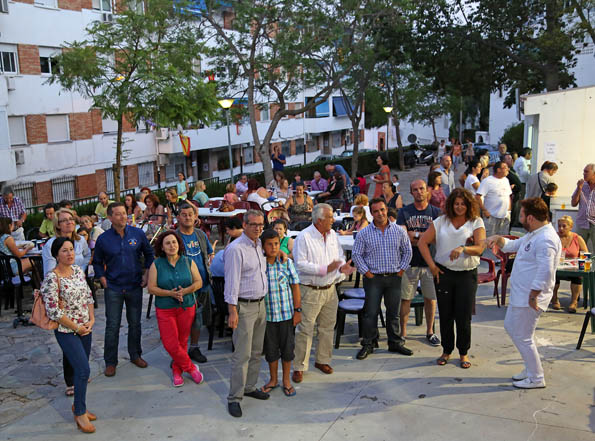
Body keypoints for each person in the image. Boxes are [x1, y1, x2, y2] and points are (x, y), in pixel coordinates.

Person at [487, 198, 561, 388]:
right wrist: (498, 238)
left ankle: (536, 377)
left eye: (521, 215)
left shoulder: (546, 239)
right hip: (521, 296)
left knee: (523, 336)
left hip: (530, 299)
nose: (519, 219)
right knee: (511, 328)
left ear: (529, 217)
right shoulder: (535, 234)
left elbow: (545, 272)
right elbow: (513, 245)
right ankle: (530, 369)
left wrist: (533, 296)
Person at [418, 188, 486, 369]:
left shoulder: (476, 222)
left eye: (463, 203)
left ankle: (463, 353)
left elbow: (480, 248)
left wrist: (463, 248)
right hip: (444, 273)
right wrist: (432, 266)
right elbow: (422, 242)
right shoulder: (440, 222)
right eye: (456, 203)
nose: (459, 207)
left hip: (466, 274)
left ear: (469, 204)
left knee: (463, 316)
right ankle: (446, 350)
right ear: (451, 204)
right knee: (446, 314)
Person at [292, 204, 355, 383]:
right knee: (305, 330)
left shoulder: (333, 235)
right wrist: (324, 269)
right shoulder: (304, 237)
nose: (333, 220)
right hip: (310, 290)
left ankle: (322, 360)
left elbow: (339, 256)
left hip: (330, 289)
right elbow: (300, 265)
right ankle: (299, 366)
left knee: (327, 328)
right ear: (319, 220)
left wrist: (343, 267)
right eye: (330, 217)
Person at [40, 237, 96, 433]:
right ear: (56, 255)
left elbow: (89, 295)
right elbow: (54, 311)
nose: (69, 253)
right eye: (64, 250)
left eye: (71, 249)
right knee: (82, 370)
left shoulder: (78, 271)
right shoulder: (51, 278)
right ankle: (79, 413)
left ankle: (79, 405)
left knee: (83, 371)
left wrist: (91, 319)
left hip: (85, 328)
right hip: (67, 331)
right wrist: (76, 327)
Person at [93, 202, 155, 377]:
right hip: (113, 288)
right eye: (118, 214)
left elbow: (149, 254)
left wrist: (147, 273)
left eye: (124, 213)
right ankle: (110, 362)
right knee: (112, 326)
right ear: (110, 217)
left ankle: (135, 355)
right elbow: (97, 262)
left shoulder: (137, 234)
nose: (123, 217)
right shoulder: (104, 239)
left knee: (135, 323)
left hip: (134, 285)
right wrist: (103, 279)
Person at [352, 198, 412, 360]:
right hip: (374, 279)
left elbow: (407, 251)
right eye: (376, 211)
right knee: (370, 313)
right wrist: (367, 273)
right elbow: (356, 255)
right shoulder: (364, 233)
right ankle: (369, 343)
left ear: (387, 210)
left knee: (393, 313)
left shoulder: (399, 230)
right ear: (371, 213)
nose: (380, 213)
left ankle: (395, 343)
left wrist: (401, 270)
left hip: (394, 278)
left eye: (382, 210)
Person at [224, 210, 270, 418]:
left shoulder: (259, 244)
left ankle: (250, 387)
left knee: (256, 351)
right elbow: (231, 283)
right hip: (244, 308)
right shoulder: (236, 249)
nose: (258, 228)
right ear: (244, 224)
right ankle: (235, 397)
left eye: (261, 224)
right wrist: (232, 311)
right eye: (253, 224)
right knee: (241, 354)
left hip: (261, 305)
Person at [147, 231, 205, 387]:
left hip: (186, 307)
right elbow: (151, 288)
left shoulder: (188, 262)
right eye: (167, 243)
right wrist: (170, 294)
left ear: (179, 245)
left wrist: (184, 291)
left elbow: (198, 282)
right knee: (170, 343)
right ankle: (191, 368)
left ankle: (176, 369)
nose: (172, 245)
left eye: (174, 242)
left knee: (182, 341)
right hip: (165, 309)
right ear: (162, 247)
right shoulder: (157, 264)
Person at [397, 180, 442, 347]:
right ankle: (403, 333)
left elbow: (438, 237)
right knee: (405, 299)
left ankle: (430, 331)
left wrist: (416, 236)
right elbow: (404, 237)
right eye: (415, 189)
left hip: (431, 263)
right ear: (411, 192)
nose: (419, 192)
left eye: (422, 189)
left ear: (427, 191)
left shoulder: (436, 213)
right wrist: (425, 238)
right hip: (409, 263)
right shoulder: (404, 212)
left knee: (430, 299)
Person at [260, 229, 301, 398]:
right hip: (267, 316)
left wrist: (297, 310)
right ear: (263, 246)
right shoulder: (260, 263)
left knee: (287, 350)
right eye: (269, 244)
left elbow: (295, 286)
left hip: (286, 315)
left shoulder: (286, 263)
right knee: (270, 351)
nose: (273, 247)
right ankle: (273, 379)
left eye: (276, 244)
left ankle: (286, 381)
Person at [177, 203, 215, 364]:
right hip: (184, 286)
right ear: (178, 217)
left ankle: (194, 348)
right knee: (182, 321)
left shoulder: (200, 234)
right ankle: (180, 352)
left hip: (203, 284)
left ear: (195, 217)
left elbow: (209, 253)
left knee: (198, 318)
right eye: (184, 214)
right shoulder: (175, 237)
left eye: (190, 214)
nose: (187, 217)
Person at [551, 216, 588, 312]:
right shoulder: (554, 237)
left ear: (570, 227)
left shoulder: (577, 238)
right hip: (557, 267)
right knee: (553, 274)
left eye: (564, 226)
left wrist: (580, 263)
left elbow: (585, 254)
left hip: (573, 268)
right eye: (559, 226)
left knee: (578, 277)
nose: (561, 229)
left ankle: (574, 302)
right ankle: (554, 299)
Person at [42, 208, 91, 277]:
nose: (69, 222)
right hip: (62, 282)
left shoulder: (80, 240)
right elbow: (49, 273)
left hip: (80, 280)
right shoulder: (50, 245)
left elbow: (87, 255)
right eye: (64, 220)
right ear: (58, 225)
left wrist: (81, 270)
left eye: (71, 219)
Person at [476, 161, 512, 237]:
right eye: (505, 168)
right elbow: (478, 196)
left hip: (505, 217)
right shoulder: (487, 181)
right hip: (492, 217)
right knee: (489, 241)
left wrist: (509, 211)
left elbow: (508, 195)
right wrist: (484, 210)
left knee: (503, 241)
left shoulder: (506, 180)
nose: (508, 169)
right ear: (498, 170)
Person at [571, 163, 595, 251]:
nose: (584, 174)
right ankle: (580, 265)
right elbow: (573, 203)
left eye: (586, 172)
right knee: (577, 250)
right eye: (583, 172)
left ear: (594, 174)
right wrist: (579, 188)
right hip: (582, 222)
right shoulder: (582, 186)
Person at [503, 154, 522, 229]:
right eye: (508, 159)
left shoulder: (512, 170)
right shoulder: (505, 174)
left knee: (513, 216)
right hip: (511, 198)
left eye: (511, 159)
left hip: (516, 196)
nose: (511, 160)